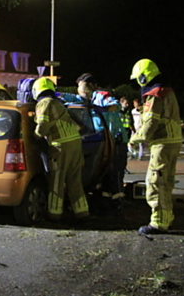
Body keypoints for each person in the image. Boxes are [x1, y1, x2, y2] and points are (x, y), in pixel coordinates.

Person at [128, 59, 183, 235]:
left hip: (162, 142)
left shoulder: (154, 94)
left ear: (144, 77)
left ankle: (158, 223)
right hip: (173, 140)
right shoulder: (167, 90)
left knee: (155, 182)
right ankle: (166, 218)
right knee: (166, 181)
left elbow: (151, 122)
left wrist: (135, 138)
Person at [62, 73, 128, 208]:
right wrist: (58, 95)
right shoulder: (89, 99)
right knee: (103, 172)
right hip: (102, 140)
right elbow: (75, 99)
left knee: (114, 172)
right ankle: (104, 200)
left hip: (116, 140)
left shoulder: (102, 96)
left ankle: (117, 201)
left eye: (83, 87)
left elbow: (117, 106)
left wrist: (103, 109)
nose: (82, 92)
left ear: (91, 86)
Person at [32, 77, 89, 221]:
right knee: (74, 180)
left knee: (56, 180)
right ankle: (82, 213)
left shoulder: (44, 103)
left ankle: (54, 214)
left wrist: (34, 137)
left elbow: (42, 126)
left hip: (60, 146)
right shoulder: (58, 103)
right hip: (75, 144)